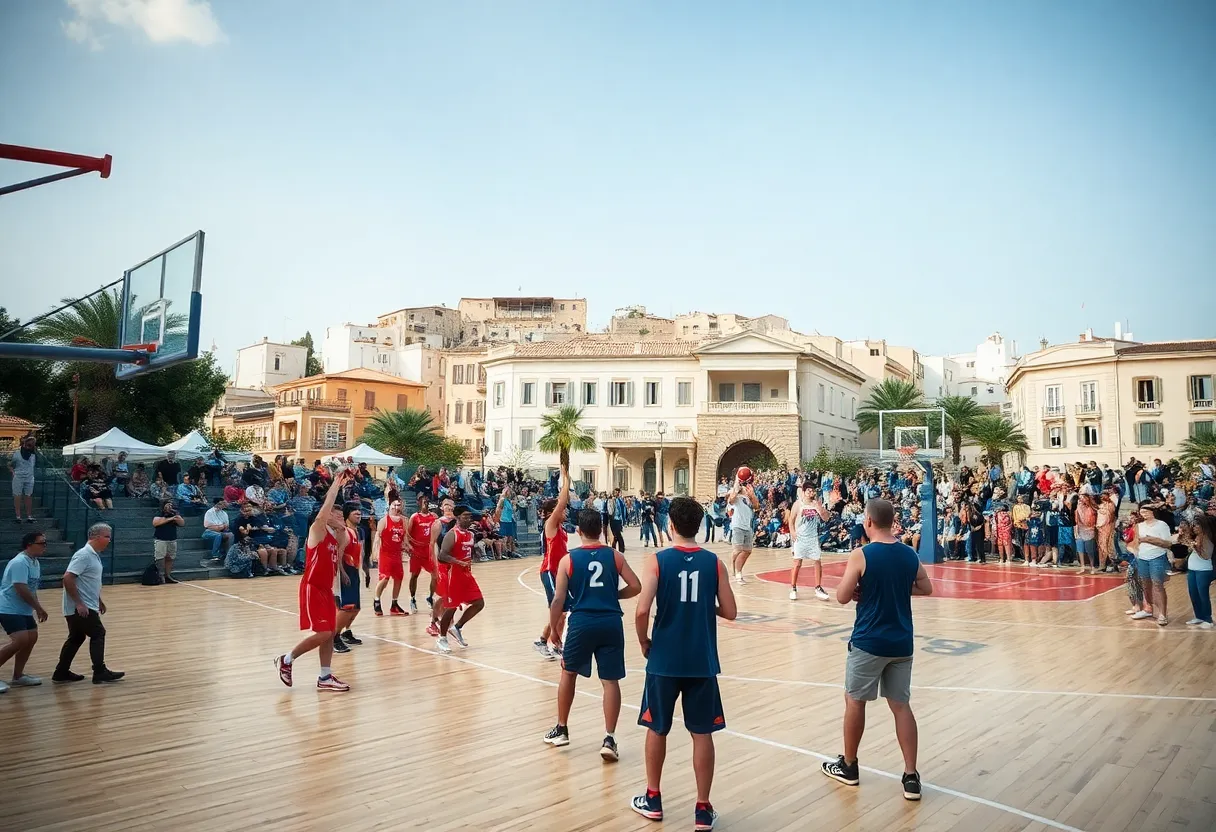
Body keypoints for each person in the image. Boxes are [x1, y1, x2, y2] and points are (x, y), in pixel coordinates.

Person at [631, 497, 737, 830]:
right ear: (701, 526)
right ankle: (702, 810)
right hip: (701, 660)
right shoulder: (714, 563)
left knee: (657, 728)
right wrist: (708, 607)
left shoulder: (657, 561)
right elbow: (731, 611)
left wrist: (644, 641)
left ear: (670, 526)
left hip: (664, 658)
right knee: (702, 733)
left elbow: (641, 610)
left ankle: (653, 798)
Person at [821, 498, 932, 801]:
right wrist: (896, 585)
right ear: (892, 521)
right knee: (900, 706)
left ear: (868, 521)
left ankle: (849, 765)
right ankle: (911, 776)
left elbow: (843, 596)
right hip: (901, 642)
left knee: (854, 701)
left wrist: (866, 585)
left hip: (869, 642)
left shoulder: (861, 554)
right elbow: (926, 588)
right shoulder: (909, 554)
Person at [542, 507, 641, 756]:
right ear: (601, 529)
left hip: (582, 622)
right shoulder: (615, 556)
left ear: (578, 531)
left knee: (568, 674)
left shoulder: (569, 559)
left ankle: (562, 729)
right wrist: (613, 595)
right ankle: (609, 738)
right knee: (610, 681)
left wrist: (553, 630)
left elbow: (558, 600)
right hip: (610, 622)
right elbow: (636, 586)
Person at [274, 470, 352, 692]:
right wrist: (336, 483)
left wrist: (341, 527)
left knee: (330, 632)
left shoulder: (337, 536)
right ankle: (287, 660)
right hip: (312, 587)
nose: (339, 517)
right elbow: (323, 512)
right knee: (324, 632)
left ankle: (325, 676)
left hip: (327, 590)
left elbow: (342, 541)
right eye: (336, 515)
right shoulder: (317, 530)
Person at [54, 523, 123, 684]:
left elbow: (88, 581)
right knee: (98, 633)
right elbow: (68, 578)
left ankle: (61, 672)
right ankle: (99, 671)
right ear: (96, 537)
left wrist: (99, 600)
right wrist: (79, 603)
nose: (109, 540)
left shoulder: (93, 555)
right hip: (81, 607)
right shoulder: (84, 555)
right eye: (107, 537)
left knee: (76, 638)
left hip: (86, 604)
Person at [0, 530, 51, 692]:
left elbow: (32, 588)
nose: (45, 546)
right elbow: (20, 587)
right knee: (20, 640)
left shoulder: (34, 562)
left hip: (24, 609)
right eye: (41, 543)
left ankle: (18, 676)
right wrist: (38, 607)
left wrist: (37, 607)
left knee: (31, 638)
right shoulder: (20, 562)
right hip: (8, 607)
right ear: (29, 545)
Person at [435, 505, 486, 654]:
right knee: (451, 608)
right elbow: (442, 556)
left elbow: (468, 550)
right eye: (465, 516)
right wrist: (458, 562)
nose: (469, 519)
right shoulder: (452, 534)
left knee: (479, 603)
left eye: (470, 516)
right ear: (457, 518)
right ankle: (442, 638)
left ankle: (457, 627)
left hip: (466, 574)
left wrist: (475, 555)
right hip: (453, 575)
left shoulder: (470, 534)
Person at [535, 465, 572, 659]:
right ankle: (550, 641)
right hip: (549, 571)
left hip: (559, 572)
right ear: (552, 512)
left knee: (562, 611)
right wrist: (565, 477)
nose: (564, 512)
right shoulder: (550, 524)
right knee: (558, 610)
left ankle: (548, 640)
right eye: (560, 510)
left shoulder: (561, 528)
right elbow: (563, 501)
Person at [1130, 504, 1174, 626]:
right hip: (1142, 558)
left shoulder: (1161, 525)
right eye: (1141, 511)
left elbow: (1167, 543)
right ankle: (1148, 608)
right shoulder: (1139, 526)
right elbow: (1136, 542)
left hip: (1157, 557)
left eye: (1146, 511)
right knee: (1145, 585)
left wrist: (1149, 540)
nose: (1143, 514)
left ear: (1152, 511)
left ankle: (1163, 614)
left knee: (1158, 585)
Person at [788, 481, 831, 601]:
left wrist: (820, 508)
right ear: (804, 492)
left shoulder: (816, 504)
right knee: (797, 563)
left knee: (817, 561)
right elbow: (791, 520)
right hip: (800, 538)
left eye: (812, 491)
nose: (811, 493)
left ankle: (818, 587)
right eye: (809, 491)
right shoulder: (798, 504)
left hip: (812, 538)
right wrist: (792, 532)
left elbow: (826, 518)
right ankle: (793, 588)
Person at [332, 503, 364, 654]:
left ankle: (346, 631)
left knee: (356, 608)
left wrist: (365, 570)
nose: (358, 515)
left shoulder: (358, 532)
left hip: (354, 570)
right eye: (355, 513)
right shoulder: (345, 532)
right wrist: (342, 572)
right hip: (345, 571)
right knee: (346, 608)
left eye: (359, 513)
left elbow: (359, 554)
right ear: (347, 515)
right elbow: (339, 554)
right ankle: (334, 637)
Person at [372, 497, 408, 616]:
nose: (397, 507)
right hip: (385, 554)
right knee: (385, 578)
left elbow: (405, 539)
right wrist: (375, 553)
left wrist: (408, 548)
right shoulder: (384, 520)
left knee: (399, 578)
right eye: (395, 505)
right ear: (390, 505)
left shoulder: (404, 521)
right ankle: (377, 601)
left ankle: (394, 604)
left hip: (397, 554)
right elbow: (377, 537)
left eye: (399, 505)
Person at [1178, 516, 1214, 628]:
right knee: (1193, 593)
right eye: (1193, 525)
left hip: (1204, 570)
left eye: (1197, 525)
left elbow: (1206, 555)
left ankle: (1208, 619)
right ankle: (1199, 616)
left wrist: (1194, 546)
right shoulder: (1196, 536)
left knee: (1202, 594)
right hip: (1192, 569)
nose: (1194, 527)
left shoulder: (1208, 538)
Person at [407, 493, 439, 615]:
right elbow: (408, 534)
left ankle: (430, 597)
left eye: (427, 499)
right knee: (414, 575)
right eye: (422, 500)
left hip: (428, 551)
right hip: (416, 551)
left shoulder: (434, 517)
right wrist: (409, 546)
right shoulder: (415, 517)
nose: (425, 501)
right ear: (418, 502)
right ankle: (412, 598)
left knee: (435, 575)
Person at [727, 472, 760, 584]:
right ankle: (735, 569)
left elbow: (756, 506)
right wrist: (736, 489)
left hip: (748, 526)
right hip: (737, 525)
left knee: (747, 550)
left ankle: (738, 571)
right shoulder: (735, 493)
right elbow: (731, 500)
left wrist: (752, 495)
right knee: (737, 550)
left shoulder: (748, 493)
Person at [151, 500, 185, 584]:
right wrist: (170, 519)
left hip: (172, 539)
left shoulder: (174, 513)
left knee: (170, 557)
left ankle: (168, 575)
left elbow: (182, 523)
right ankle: (160, 575)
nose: (170, 506)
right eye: (168, 505)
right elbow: (155, 523)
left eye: (171, 505)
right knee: (160, 557)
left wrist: (176, 515)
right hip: (160, 538)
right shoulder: (159, 513)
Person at [9, 434, 37, 524]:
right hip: (18, 477)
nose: (30, 446)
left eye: (32, 445)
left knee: (28, 496)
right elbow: (10, 464)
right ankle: (18, 516)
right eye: (29, 444)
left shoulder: (33, 454)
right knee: (17, 496)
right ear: (24, 444)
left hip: (29, 477)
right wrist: (13, 472)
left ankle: (29, 516)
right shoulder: (17, 454)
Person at [201, 498, 233, 567]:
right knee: (218, 535)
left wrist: (219, 527)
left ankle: (228, 555)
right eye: (220, 503)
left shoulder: (224, 513)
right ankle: (215, 554)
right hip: (209, 531)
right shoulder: (209, 512)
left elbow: (226, 526)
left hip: (221, 531)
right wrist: (220, 527)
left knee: (231, 535)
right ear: (216, 504)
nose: (222, 505)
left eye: (223, 504)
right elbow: (208, 526)